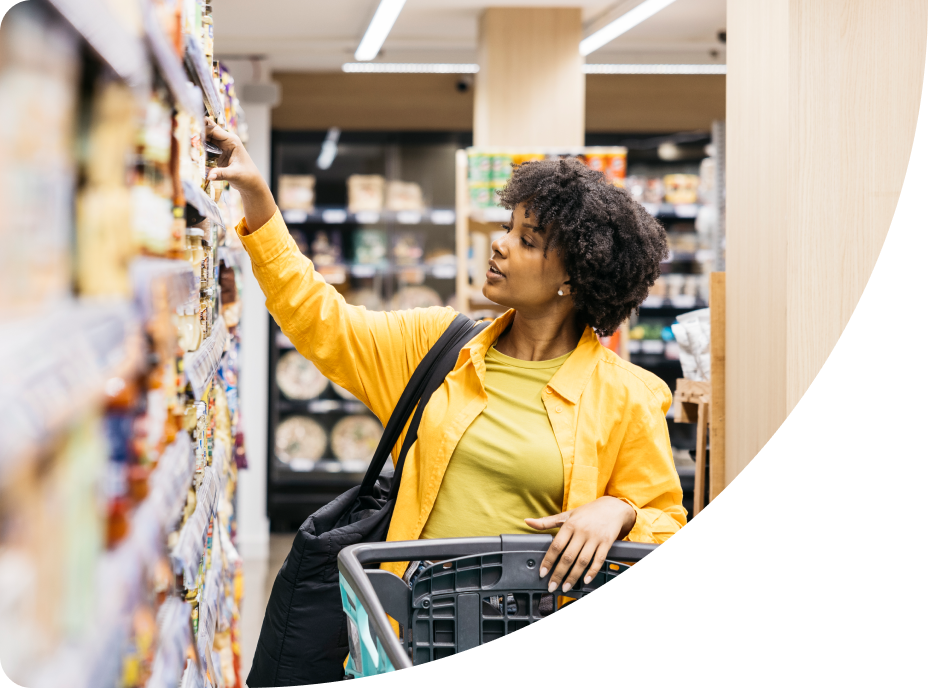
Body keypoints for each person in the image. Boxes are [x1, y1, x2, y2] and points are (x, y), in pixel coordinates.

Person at [206, 120, 685, 595]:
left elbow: (664, 522)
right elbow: (322, 320)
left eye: (527, 240)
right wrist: (258, 197)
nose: (499, 242)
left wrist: (621, 512)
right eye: (507, 227)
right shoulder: (438, 347)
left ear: (575, 278)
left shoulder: (626, 396)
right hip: (408, 629)